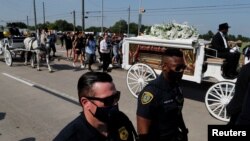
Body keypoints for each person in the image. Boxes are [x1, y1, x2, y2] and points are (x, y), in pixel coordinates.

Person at [54, 72, 138, 141]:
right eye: (108, 100)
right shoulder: (70, 137)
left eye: (116, 97)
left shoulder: (121, 120)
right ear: (86, 103)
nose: (115, 103)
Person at [136, 48, 188, 141]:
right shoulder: (151, 92)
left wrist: (184, 131)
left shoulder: (176, 86)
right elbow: (142, 131)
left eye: (183, 67)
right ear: (164, 67)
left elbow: (177, 112)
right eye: (178, 68)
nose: (181, 72)